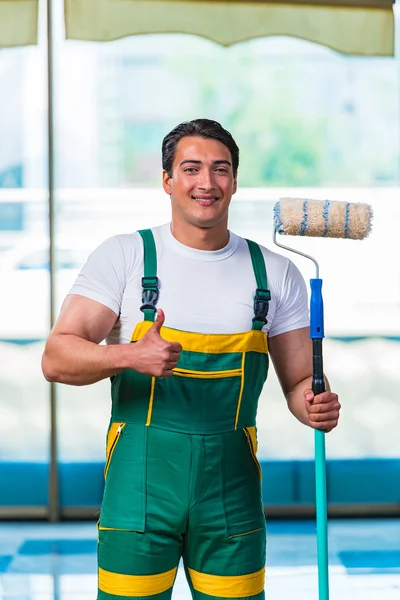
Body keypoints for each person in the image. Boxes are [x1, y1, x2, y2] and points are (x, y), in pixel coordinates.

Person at [42, 118, 341, 600]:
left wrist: (313, 405)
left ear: (235, 181)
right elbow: (56, 357)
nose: (207, 182)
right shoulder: (126, 256)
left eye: (221, 170)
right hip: (139, 490)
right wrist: (130, 355)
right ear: (166, 179)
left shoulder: (277, 273)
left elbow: (298, 381)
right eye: (191, 168)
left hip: (231, 492)